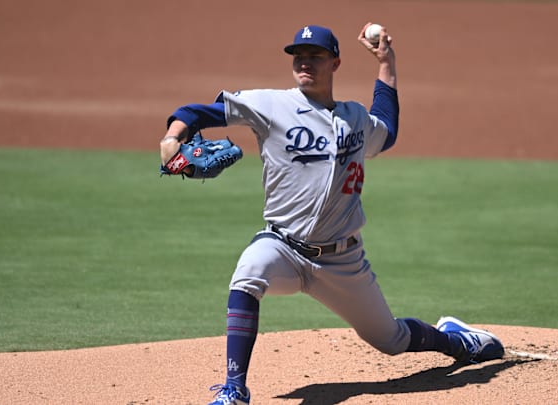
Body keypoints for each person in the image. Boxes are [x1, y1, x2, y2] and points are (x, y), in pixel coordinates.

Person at [160, 23, 505, 405]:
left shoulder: (354, 118)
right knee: (248, 273)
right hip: (284, 248)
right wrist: (172, 138)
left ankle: (457, 340)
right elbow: (195, 112)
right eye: (299, 56)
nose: (305, 62)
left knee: (390, 339)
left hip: (342, 260)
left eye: (315, 56)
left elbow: (386, 131)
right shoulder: (270, 104)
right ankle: (234, 389)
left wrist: (386, 63)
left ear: (335, 63)